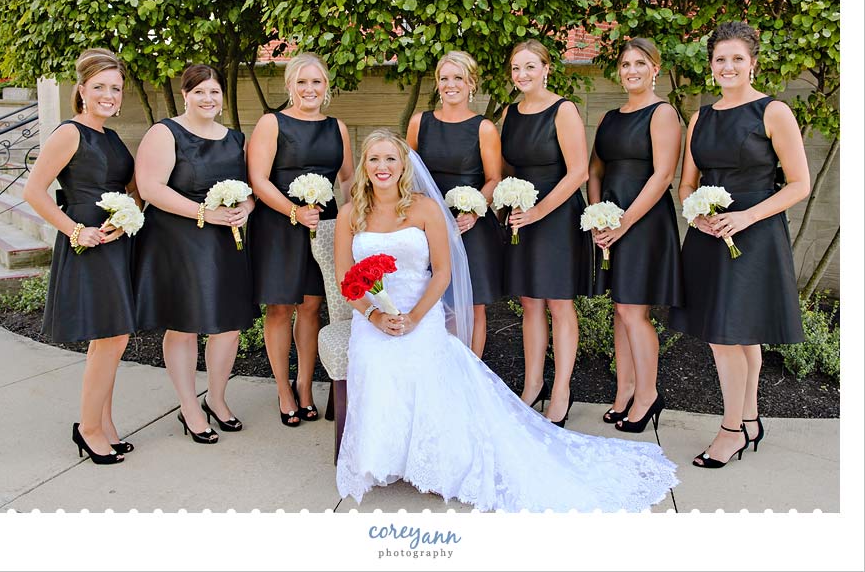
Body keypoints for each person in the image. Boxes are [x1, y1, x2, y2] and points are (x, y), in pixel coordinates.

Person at [334, 129, 678, 512]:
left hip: (421, 314)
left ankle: (432, 461)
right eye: (374, 159)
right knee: (374, 362)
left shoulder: (425, 209)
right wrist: (375, 315)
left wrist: (414, 317)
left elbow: (443, 274)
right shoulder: (351, 213)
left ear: (404, 166)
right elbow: (345, 277)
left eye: (390, 159)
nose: (382, 167)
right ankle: (387, 459)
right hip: (373, 319)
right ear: (364, 166)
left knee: (421, 366)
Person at [669, 21, 810, 468]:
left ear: (753, 63)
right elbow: (686, 184)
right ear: (711, 66)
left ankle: (730, 431)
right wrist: (700, 213)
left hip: (756, 232)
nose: (728, 66)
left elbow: (799, 184)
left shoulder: (773, 113)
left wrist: (746, 216)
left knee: (729, 337)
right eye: (720, 59)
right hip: (709, 236)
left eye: (736, 59)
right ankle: (748, 419)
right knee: (736, 335)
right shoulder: (700, 117)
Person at [23, 48, 136, 464]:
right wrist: (75, 230)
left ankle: (102, 423)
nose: (109, 95)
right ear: (82, 90)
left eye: (116, 88)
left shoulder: (111, 135)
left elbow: (128, 187)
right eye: (101, 87)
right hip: (88, 243)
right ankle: (88, 429)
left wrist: (128, 216)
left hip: (115, 240)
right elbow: (33, 192)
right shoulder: (70, 133)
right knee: (110, 337)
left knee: (111, 336)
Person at [133, 64, 256, 444]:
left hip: (225, 241)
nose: (208, 98)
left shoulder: (236, 139)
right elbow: (150, 188)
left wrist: (245, 209)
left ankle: (217, 399)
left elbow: (250, 190)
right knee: (184, 324)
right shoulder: (165, 132)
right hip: (176, 240)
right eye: (199, 91)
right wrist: (205, 213)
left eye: (214, 91)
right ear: (185, 94)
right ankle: (189, 407)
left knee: (228, 325)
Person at [247, 52, 353, 427]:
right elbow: (258, 180)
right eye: (302, 82)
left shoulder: (336, 127)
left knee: (311, 308)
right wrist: (293, 212)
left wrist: (353, 221)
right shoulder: (272, 123)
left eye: (317, 82)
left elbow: (347, 181)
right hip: (278, 227)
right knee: (280, 309)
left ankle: (305, 386)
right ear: (290, 85)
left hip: (324, 228)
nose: (310, 89)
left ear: (326, 87)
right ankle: (283, 390)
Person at [587, 39, 684, 432]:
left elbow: (663, 176)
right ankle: (625, 390)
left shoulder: (663, 113)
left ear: (655, 68)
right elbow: (595, 170)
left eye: (640, 63)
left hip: (643, 223)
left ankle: (648, 395)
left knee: (633, 311)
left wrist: (623, 222)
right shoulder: (610, 117)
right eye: (626, 64)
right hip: (609, 219)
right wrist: (596, 214)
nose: (632, 70)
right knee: (619, 309)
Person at [499, 40, 593, 425]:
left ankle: (561, 391)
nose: (522, 74)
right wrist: (510, 201)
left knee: (558, 303)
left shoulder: (564, 109)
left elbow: (579, 172)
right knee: (529, 303)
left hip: (556, 218)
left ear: (546, 68)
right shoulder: (510, 112)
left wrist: (538, 211)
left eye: (530, 67)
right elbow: (507, 167)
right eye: (516, 68)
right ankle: (533, 384)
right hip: (522, 215)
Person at [406, 50, 504, 358]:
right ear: (437, 83)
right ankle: (439, 370)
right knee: (433, 300)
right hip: (427, 224)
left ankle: (470, 373)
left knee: (471, 305)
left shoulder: (483, 128)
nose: (451, 85)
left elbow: (494, 179)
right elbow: (407, 175)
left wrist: (473, 210)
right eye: (444, 78)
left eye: (458, 78)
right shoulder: (419, 122)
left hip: (469, 227)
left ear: (471, 83)